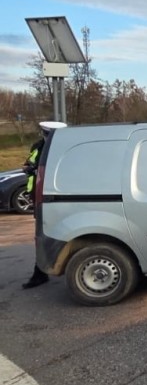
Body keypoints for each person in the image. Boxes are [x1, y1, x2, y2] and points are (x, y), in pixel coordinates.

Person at [22, 121, 67, 289]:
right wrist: (29, 168)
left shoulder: (49, 148)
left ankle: (41, 273)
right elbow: (31, 163)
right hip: (43, 197)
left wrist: (31, 169)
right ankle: (41, 272)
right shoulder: (43, 147)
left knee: (46, 235)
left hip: (48, 198)